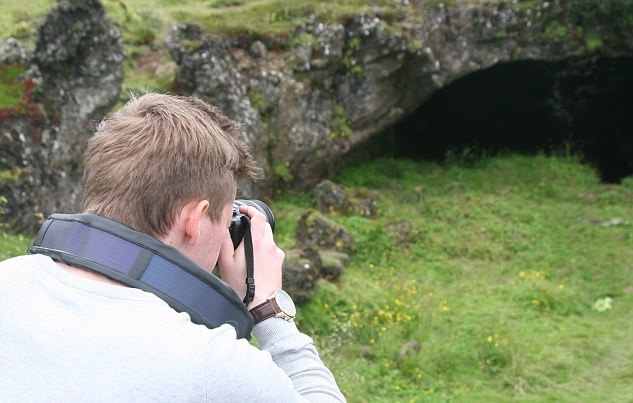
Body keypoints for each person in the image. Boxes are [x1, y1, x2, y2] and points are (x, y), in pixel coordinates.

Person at [0, 93, 346, 402]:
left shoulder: (8, 279)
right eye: (226, 223)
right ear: (194, 220)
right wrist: (269, 310)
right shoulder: (212, 364)